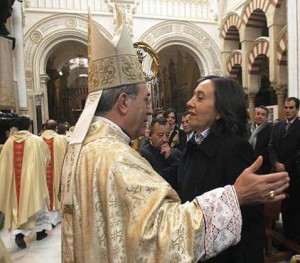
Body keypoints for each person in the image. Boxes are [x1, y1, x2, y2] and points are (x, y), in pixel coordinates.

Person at [61, 5, 289, 263]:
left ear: (220, 111)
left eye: (199, 97)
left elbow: (249, 228)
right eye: (145, 99)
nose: (149, 110)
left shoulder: (88, 147)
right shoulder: (116, 156)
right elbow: (166, 234)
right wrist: (234, 195)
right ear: (123, 103)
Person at [177, 76, 265, 263]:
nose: (189, 103)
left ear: (219, 112)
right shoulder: (193, 145)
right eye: (193, 96)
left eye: (200, 98)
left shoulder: (234, 149)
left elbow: (250, 222)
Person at [0, 115, 51, 249]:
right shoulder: (36, 141)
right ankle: (40, 233)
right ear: (29, 126)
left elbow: (3, 165)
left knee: (17, 208)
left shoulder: (9, 143)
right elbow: (46, 158)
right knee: (38, 204)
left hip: (15, 187)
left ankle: (19, 235)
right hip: (33, 183)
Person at [269, 97, 300, 243]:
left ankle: (295, 240)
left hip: (295, 175)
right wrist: (275, 162)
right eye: (286, 108)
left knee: (295, 207)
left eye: (291, 108)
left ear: (297, 109)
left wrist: (285, 165)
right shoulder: (278, 126)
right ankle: (286, 239)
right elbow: (271, 147)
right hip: (279, 174)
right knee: (283, 206)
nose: (288, 110)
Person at [139, 117, 181, 189]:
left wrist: (170, 158)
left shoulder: (175, 153)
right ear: (150, 135)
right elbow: (155, 179)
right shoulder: (144, 154)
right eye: (160, 135)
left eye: (167, 135)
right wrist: (174, 168)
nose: (165, 140)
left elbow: (182, 175)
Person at [41, 119, 68, 227]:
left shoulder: (39, 139)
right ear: (56, 128)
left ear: (45, 127)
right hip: (58, 173)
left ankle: (46, 220)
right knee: (56, 191)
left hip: (43, 174)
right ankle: (55, 219)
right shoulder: (62, 139)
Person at [247, 105, 273, 174]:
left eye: (263, 114)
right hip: (248, 163)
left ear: (266, 117)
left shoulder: (271, 130)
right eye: (258, 114)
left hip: (263, 166)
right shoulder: (248, 128)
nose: (260, 116)